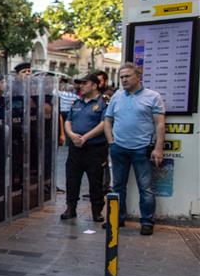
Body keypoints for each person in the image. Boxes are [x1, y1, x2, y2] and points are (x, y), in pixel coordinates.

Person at [103, 62, 165, 235]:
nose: (123, 80)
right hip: (118, 148)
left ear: (139, 76)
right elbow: (107, 120)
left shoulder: (153, 96)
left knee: (145, 188)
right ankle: (117, 219)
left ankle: (146, 222)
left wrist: (158, 148)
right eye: (121, 77)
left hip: (142, 148)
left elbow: (159, 123)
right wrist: (111, 142)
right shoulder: (116, 96)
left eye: (127, 76)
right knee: (117, 186)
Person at [60, 74, 107, 222]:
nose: (81, 86)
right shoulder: (77, 102)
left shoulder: (103, 102)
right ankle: (71, 208)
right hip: (76, 148)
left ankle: (97, 211)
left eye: (85, 83)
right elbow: (68, 121)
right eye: (80, 84)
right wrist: (72, 135)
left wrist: (85, 137)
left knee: (96, 182)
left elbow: (104, 123)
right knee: (72, 179)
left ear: (94, 85)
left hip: (95, 149)